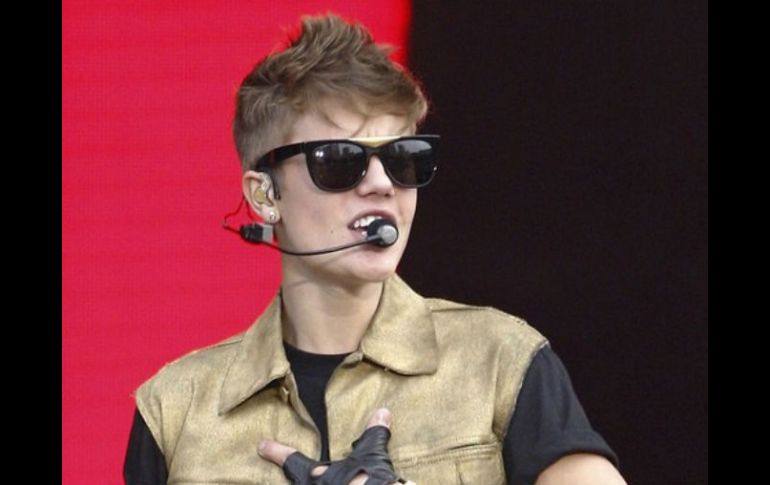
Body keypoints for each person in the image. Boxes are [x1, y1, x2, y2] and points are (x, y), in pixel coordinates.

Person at [124, 14, 626, 485]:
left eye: (404, 159)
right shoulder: (175, 411)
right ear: (265, 196)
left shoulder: (500, 362)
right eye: (340, 161)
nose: (383, 184)